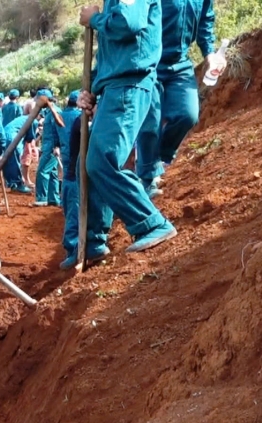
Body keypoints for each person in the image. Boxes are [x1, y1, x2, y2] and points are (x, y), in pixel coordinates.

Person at [79, 0, 179, 254]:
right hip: (116, 86)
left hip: (128, 85)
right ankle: (93, 241)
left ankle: (151, 223)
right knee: (90, 160)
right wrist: (91, 89)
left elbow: (127, 23)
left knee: (102, 160)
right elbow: (115, 52)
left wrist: (95, 20)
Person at [135, 0, 220, 198]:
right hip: (150, 62)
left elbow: (205, 20)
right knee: (151, 121)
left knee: (188, 114)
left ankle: (159, 158)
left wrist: (209, 53)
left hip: (180, 63)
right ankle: (147, 178)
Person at [59, 113, 115, 268]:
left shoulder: (92, 120)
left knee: (81, 215)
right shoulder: (82, 121)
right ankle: (73, 253)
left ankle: (82, 251)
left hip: (83, 177)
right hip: (76, 179)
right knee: (74, 217)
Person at [33, 88, 63, 207]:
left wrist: (56, 146)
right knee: (52, 173)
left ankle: (42, 198)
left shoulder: (56, 112)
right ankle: (53, 198)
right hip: (48, 146)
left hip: (51, 147)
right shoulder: (50, 112)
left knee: (43, 171)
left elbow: (58, 130)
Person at [1, 106, 37, 193]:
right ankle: (18, 184)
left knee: (6, 161)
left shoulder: (23, 118)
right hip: (13, 138)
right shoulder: (34, 121)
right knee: (15, 161)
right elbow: (29, 138)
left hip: (5, 135)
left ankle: (10, 182)